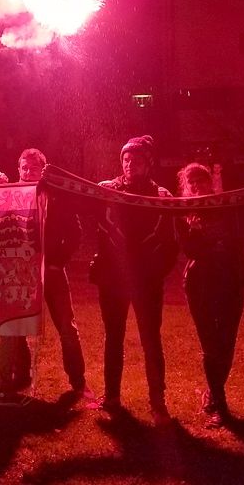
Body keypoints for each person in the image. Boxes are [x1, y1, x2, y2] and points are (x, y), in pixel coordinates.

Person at [92, 135, 178, 424]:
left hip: (147, 280)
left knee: (150, 339)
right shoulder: (107, 190)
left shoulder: (161, 196)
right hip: (113, 279)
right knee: (113, 337)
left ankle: (158, 402)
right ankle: (111, 396)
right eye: (126, 160)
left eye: (137, 160)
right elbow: (80, 207)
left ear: (148, 164)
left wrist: (155, 271)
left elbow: (170, 242)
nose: (130, 164)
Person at [16, 148, 92, 405]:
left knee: (66, 327)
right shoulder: (11, 195)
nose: (28, 172)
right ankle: (21, 374)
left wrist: (57, 261)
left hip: (52, 271)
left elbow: (75, 233)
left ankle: (78, 380)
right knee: (17, 325)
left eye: (34, 168)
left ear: (43, 170)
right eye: (24, 168)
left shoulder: (56, 196)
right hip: (21, 272)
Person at [177, 163, 244, 428]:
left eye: (201, 180)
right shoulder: (183, 212)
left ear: (210, 181)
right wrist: (202, 236)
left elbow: (237, 242)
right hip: (200, 284)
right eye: (192, 182)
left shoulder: (228, 207)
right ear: (186, 186)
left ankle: (212, 392)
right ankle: (220, 404)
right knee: (210, 345)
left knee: (226, 343)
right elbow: (191, 250)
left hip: (230, 281)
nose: (197, 186)